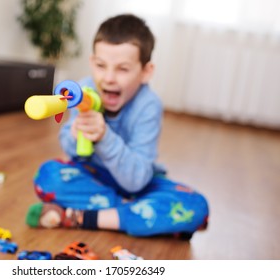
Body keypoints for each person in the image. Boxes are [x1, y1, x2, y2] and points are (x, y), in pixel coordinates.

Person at [25, 14, 209, 240]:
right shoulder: (83, 90)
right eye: (101, 66)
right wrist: (74, 136)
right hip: (94, 177)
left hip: (139, 183)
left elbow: (136, 181)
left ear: (146, 72)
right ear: (92, 62)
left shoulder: (148, 106)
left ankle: (80, 217)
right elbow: (71, 151)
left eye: (122, 69)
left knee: (196, 206)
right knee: (47, 177)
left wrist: (104, 137)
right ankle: (140, 215)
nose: (109, 78)